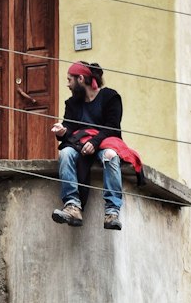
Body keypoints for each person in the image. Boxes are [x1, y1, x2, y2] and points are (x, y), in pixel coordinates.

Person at [51, 61, 134, 232]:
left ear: (80, 79)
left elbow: (112, 126)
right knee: (65, 153)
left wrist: (94, 143)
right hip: (80, 144)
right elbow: (70, 130)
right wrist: (61, 132)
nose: (67, 84)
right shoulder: (72, 103)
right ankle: (72, 206)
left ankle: (112, 212)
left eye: (69, 80)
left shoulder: (110, 97)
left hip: (105, 142)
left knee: (110, 155)